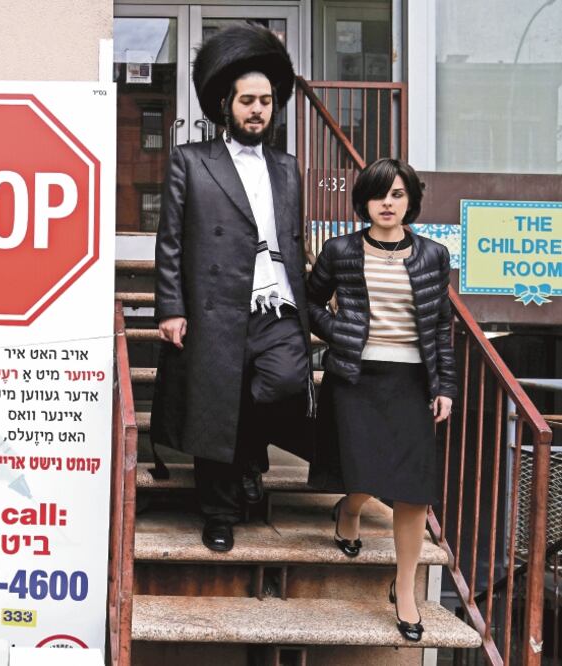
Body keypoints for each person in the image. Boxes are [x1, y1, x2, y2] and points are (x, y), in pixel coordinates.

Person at [150, 21, 314, 553]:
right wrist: (171, 308)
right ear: (227, 105)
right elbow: (170, 241)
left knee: (287, 384)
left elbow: (292, 237)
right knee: (215, 406)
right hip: (217, 307)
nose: (258, 110)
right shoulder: (191, 162)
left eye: (266, 101)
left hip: (277, 306)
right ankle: (219, 514)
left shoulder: (287, 168)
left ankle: (249, 460)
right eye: (248, 100)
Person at [306, 158, 456, 642]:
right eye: (377, 195)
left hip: (412, 380)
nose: (387, 203)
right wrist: (339, 332)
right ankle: (350, 509)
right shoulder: (341, 251)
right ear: (363, 203)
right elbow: (309, 303)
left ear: (410, 199)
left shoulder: (433, 255)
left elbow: (439, 328)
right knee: (365, 473)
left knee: (412, 489)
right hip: (356, 377)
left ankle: (406, 590)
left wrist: (445, 387)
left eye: (396, 194)